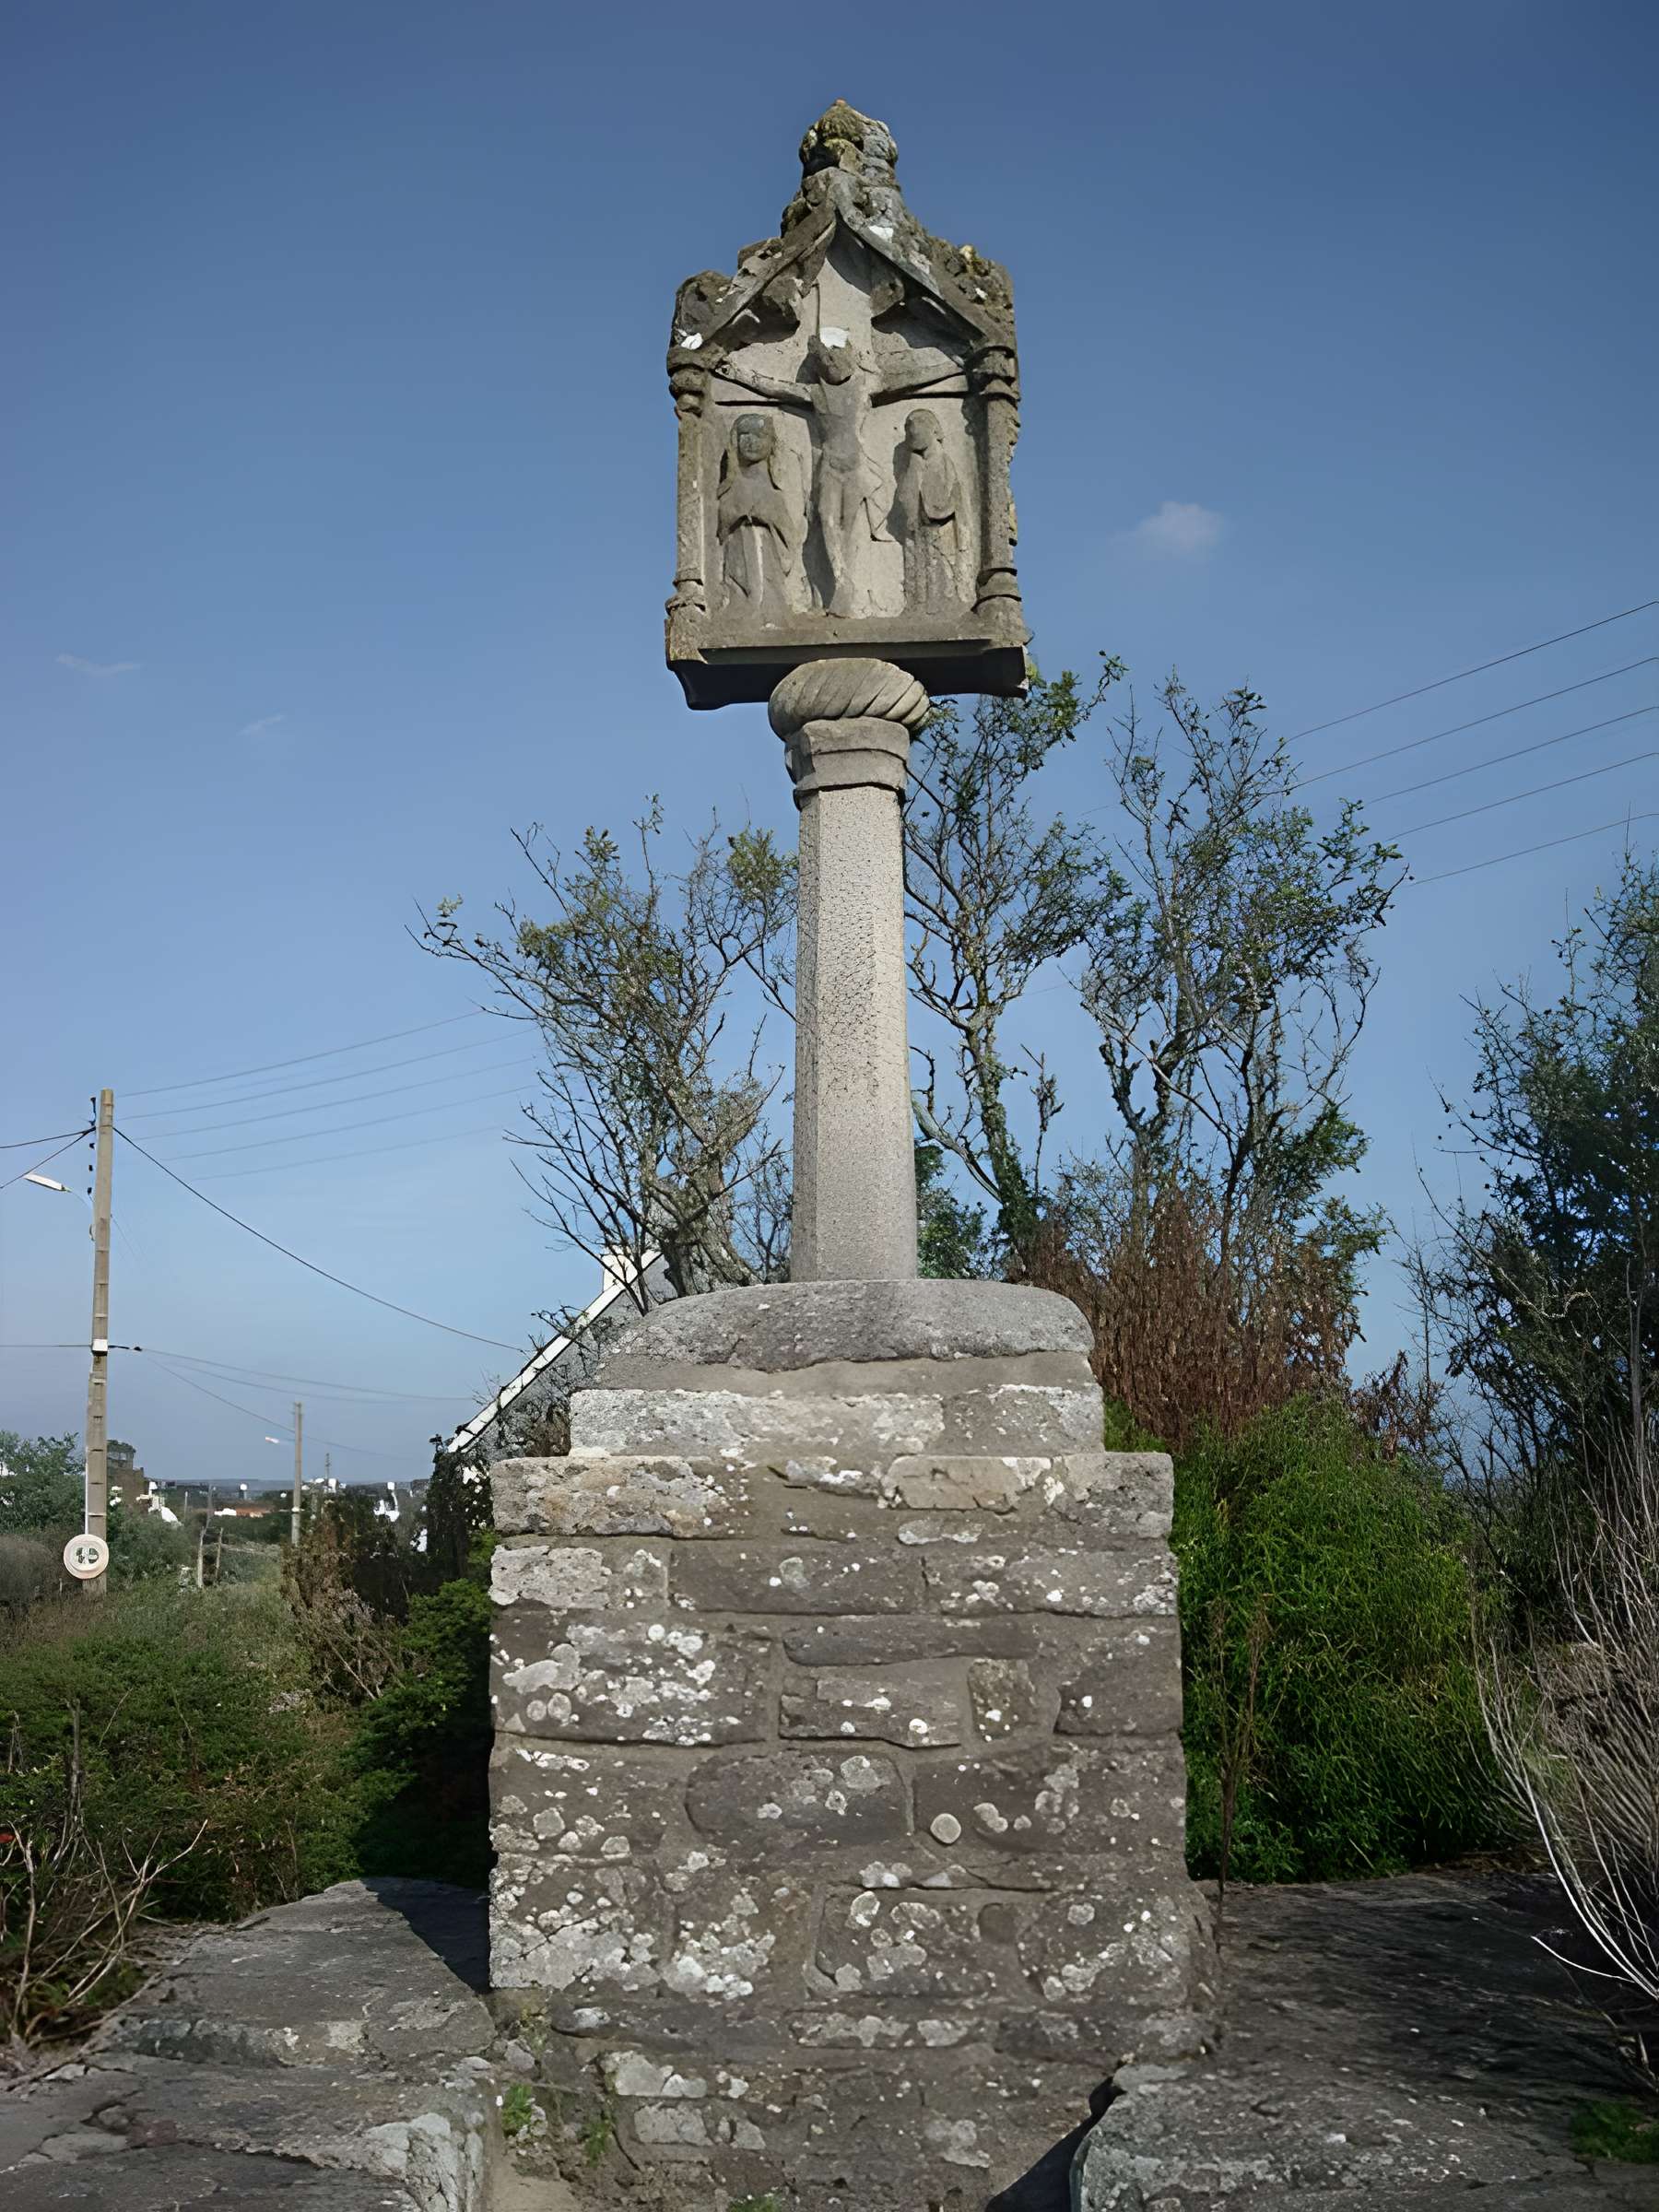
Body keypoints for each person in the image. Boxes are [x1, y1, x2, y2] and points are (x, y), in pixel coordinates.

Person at [715, 413, 803, 620]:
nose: (751, 441)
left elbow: (789, 536)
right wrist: (738, 516)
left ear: (771, 443)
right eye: (745, 434)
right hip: (737, 561)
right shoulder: (730, 489)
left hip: (769, 564)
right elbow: (722, 529)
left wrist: (768, 518)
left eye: (759, 435)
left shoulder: (776, 494)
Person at [892, 407, 963, 612]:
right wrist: (914, 468)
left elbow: (946, 497)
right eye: (909, 430)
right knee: (918, 570)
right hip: (918, 527)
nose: (912, 433)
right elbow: (905, 495)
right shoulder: (913, 462)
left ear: (934, 431)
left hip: (941, 527)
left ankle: (942, 605)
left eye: (918, 427)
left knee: (940, 568)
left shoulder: (943, 460)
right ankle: (919, 605)